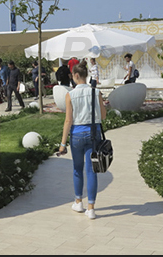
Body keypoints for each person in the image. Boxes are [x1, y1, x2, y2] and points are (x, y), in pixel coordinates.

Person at [57, 60, 107, 220]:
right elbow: (103, 116)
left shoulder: (70, 95)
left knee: (77, 169)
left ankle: (78, 201)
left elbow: (68, 121)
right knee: (92, 169)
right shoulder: (96, 92)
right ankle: (91, 208)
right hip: (94, 134)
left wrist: (62, 144)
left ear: (76, 76)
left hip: (77, 134)